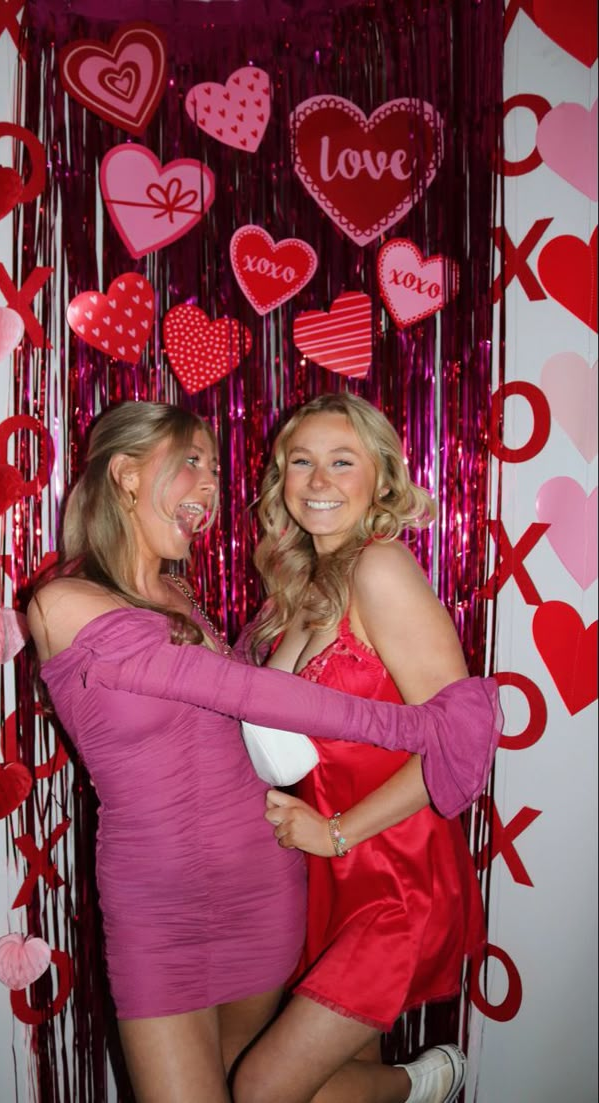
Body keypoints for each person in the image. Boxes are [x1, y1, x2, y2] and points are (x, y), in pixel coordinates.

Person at [27, 400, 501, 1103]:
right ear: (125, 476)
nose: (211, 485)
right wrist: (423, 729)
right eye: (192, 462)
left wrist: (422, 745)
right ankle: (417, 1082)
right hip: (165, 902)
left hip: (279, 880)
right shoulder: (65, 601)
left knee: (263, 1088)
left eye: (216, 469)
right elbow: (245, 699)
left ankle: (416, 1080)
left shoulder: (188, 602)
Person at [229, 392, 492, 1103]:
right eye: (301, 462)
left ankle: (420, 1082)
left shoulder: (381, 569)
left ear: (380, 478)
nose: (318, 481)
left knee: (261, 1087)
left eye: (341, 462)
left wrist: (336, 832)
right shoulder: (297, 589)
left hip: (397, 875)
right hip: (327, 876)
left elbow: (459, 740)